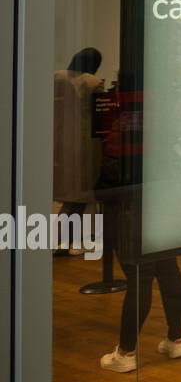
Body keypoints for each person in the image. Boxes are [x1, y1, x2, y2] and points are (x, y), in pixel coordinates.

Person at [96, 75, 181, 373]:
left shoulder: (125, 124)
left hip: (133, 206)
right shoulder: (163, 118)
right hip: (163, 201)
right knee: (168, 267)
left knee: (140, 277)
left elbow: (112, 173)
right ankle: (176, 339)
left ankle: (126, 352)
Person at [52, 48, 105, 255]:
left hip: (60, 140)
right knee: (80, 195)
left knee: (70, 195)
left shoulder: (58, 77)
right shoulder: (93, 82)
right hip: (85, 142)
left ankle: (63, 241)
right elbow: (100, 113)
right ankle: (66, 242)